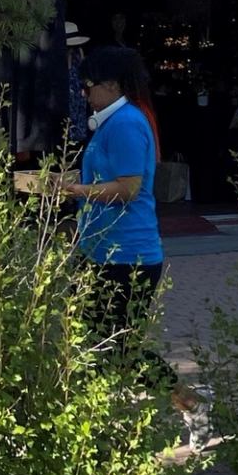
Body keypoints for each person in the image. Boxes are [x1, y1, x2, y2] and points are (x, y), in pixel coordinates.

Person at [52, 43, 166, 368]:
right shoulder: (110, 122)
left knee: (119, 346)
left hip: (127, 254)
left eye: (89, 86)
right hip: (101, 249)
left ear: (113, 85)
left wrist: (76, 190)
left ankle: (185, 398)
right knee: (92, 336)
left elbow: (128, 188)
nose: (84, 94)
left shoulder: (125, 123)